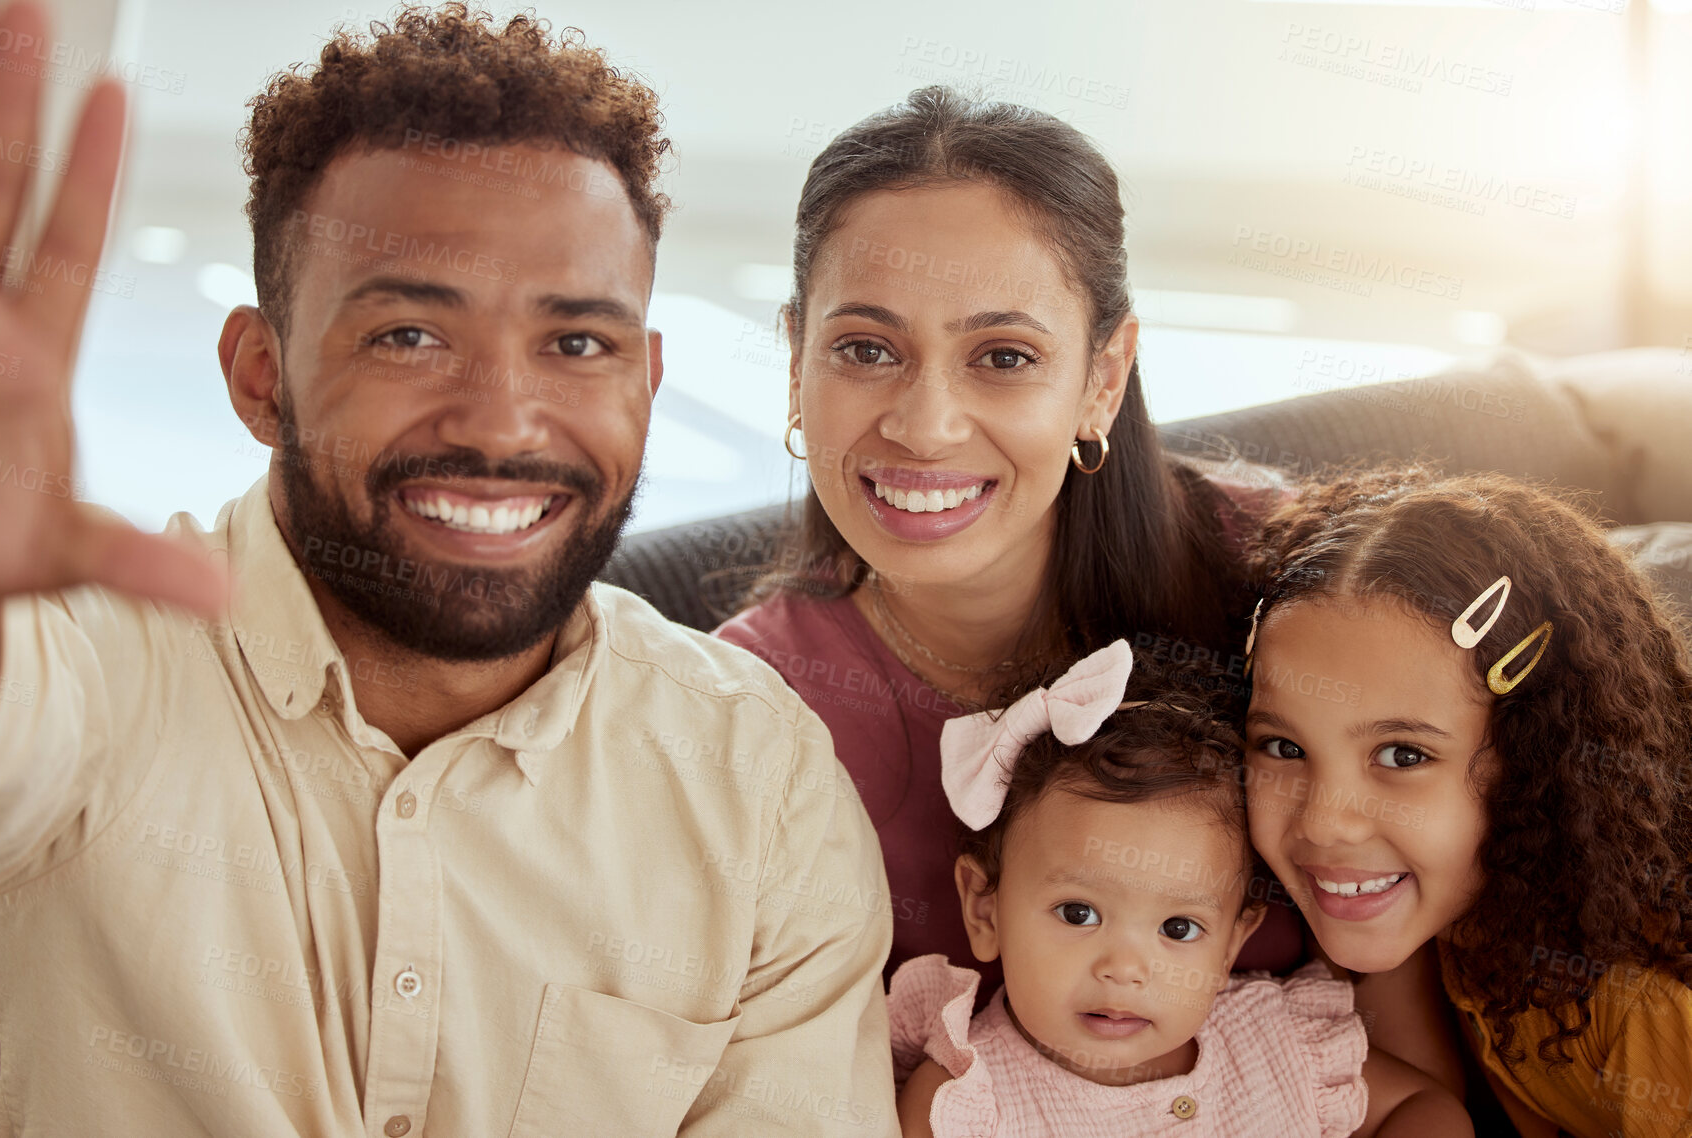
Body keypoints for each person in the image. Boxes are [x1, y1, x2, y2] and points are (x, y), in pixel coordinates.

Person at [0, 4, 893, 1134]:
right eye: (409, 335)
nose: (502, 422)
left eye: (578, 342)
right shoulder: (83, 664)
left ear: (645, 378)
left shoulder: (760, 786)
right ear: (259, 373)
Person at [714, 85, 1296, 981]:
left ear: (1103, 378)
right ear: (796, 364)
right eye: (866, 349)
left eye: (1003, 358)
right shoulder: (739, 717)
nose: (925, 426)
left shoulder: (1295, 586)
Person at [1241, 467, 1692, 1138]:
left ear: (1540, 762)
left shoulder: (1653, 1002)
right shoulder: (1454, 910)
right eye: (1281, 747)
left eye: (1402, 755)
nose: (1324, 822)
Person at [889, 642, 1468, 1137]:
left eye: (1179, 929)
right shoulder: (965, 1102)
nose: (1125, 969)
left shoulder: (1283, 1044)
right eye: (1078, 913)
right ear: (984, 908)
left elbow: (1428, 1109)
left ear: (1232, 946)